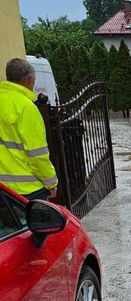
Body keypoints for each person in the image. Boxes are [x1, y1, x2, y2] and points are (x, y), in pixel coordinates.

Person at [0, 58, 58, 200]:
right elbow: (37, 153)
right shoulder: (26, 107)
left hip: (3, 188)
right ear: (30, 80)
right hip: (27, 189)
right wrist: (51, 183)